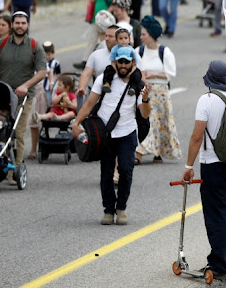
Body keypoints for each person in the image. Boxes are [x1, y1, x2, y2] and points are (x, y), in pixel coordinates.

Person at [181, 60, 226, 281]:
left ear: (210, 79)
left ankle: (218, 264)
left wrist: (189, 166)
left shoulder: (207, 100)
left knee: (216, 214)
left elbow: (196, 136)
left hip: (213, 165)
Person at [73, 46, 151, 226]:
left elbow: (145, 114)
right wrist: (76, 124)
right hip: (105, 133)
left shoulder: (138, 84)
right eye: (120, 61)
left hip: (127, 132)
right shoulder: (103, 79)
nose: (123, 65)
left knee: (125, 170)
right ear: (114, 62)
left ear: (133, 63)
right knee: (106, 173)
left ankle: (121, 208)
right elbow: (89, 104)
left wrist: (146, 99)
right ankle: (108, 210)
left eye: (126, 62)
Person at [0, 11, 46, 178]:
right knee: (2, 131)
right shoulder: (1, 44)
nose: (20, 26)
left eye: (23, 23)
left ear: (27, 25)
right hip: (3, 96)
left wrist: (25, 86)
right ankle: (2, 165)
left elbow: (41, 72)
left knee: (18, 132)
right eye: (17, 23)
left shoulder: (34, 46)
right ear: (12, 25)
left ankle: (16, 169)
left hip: (23, 96)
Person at [135, 16, 181, 164]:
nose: (141, 37)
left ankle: (156, 152)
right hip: (145, 90)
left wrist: (153, 74)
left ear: (152, 35)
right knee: (150, 121)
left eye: (144, 34)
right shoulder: (139, 51)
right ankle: (139, 152)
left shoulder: (164, 52)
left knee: (160, 122)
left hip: (160, 92)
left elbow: (170, 74)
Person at [27, 40, 62, 159]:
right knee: (29, 123)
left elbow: (50, 72)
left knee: (36, 122)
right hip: (27, 93)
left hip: (40, 92)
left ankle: (36, 148)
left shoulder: (42, 63)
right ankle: (28, 149)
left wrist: (52, 83)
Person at [76, 0, 115, 69]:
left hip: (103, 21)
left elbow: (114, 2)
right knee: (92, 39)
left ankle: (104, 59)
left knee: (103, 39)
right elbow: (91, 0)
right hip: (96, 20)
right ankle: (86, 61)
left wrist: (106, 13)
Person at [101, 27, 145, 97]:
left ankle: (133, 88)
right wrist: (116, 70)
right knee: (108, 69)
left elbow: (135, 64)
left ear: (129, 39)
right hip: (117, 66)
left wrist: (130, 73)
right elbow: (112, 61)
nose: (123, 40)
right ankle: (107, 83)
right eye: (120, 38)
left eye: (125, 38)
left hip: (129, 68)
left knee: (137, 73)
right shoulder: (114, 49)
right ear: (116, 40)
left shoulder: (132, 51)